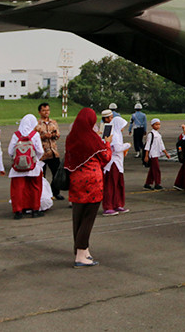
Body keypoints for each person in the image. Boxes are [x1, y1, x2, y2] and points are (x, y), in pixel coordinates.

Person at [64, 107, 112, 267]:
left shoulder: (71, 137)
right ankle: (80, 254)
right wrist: (108, 144)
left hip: (76, 181)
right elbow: (105, 158)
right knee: (88, 218)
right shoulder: (92, 138)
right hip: (92, 182)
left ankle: (82, 251)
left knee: (77, 217)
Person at [8, 114, 45, 219]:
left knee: (18, 190)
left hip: (18, 168)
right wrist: (34, 159)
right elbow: (40, 151)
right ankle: (35, 209)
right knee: (35, 188)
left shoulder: (16, 135)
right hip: (33, 167)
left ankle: (18, 211)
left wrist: (18, 159)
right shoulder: (35, 134)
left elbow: (10, 151)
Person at [102, 115, 131, 215]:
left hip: (118, 163)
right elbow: (117, 148)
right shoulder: (114, 134)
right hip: (112, 163)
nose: (123, 128)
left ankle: (117, 204)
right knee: (110, 185)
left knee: (118, 185)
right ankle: (108, 206)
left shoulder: (117, 133)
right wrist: (127, 145)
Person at [35, 102, 64, 200]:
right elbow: (34, 137)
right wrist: (43, 136)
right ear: (39, 112)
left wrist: (53, 135)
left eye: (47, 110)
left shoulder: (53, 122)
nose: (46, 112)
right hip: (42, 153)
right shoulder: (37, 124)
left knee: (57, 173)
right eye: (44, 110)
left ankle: (55, 192)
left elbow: (58, 134)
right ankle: (43, 193)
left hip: (53, 152)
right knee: (42, 174)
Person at [143, 118, 169, 189]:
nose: (158, 126)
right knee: (156, 169)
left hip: (156, 153)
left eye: (159, 124)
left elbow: (161, 144)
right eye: (156, 124)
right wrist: (146, 155)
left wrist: (166, 153)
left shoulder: (158, 134)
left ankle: (148, 183)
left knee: (152, 169)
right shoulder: (151, 134)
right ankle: (157, 183)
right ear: (152, 125)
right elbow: (147, 145)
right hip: (152, 154)